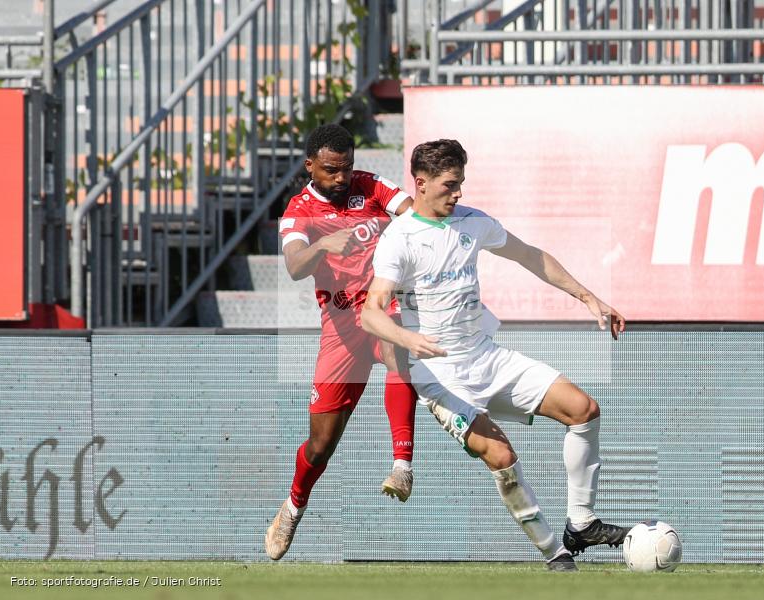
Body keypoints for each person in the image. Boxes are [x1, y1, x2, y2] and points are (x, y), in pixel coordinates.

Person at [360, 139, 629, 571]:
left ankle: (581, 523)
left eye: (461, 184)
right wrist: (408, 341)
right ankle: (554, 555)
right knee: (501, 457)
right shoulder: (399, 239)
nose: (459, 193)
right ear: (422, 183)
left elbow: (531, 256)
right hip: (441, 374)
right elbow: (371, 314)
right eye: (450, 185)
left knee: (584, 409)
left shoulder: (473, 222)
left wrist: (589, 298)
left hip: (487, 357)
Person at [265, 124, 418, 560]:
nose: (341, 178)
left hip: (380, 307)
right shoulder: (298, 211)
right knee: (321, 443)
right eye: (331, 170)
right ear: (309, 165)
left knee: (396, 350)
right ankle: (293, 507)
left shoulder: (369, 186)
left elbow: (411, 212)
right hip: (339, 327)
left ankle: (401, 466)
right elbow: (294, 265)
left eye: (346, 168)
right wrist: (323, 244)